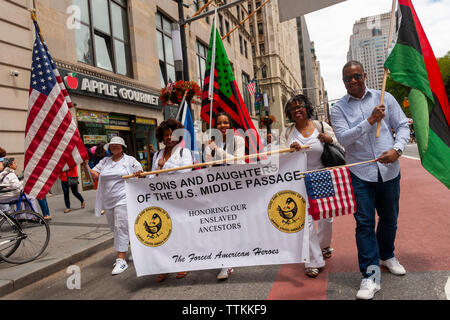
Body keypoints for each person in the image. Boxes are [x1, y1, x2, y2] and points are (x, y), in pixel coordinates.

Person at [330, 61, 410, 300]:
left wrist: (397, 149)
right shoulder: (339, 108)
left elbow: (403, 125)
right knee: (364, 224)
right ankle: (371, 275)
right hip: (360, 174)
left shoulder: (384, 97)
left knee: (389, 219)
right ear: (343, 82)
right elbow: (344, 139)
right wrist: (370, 121)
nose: (352, 81)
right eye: (347, 79)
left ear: (364, 75)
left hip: (389, 171)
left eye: (356, 76)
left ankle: (387, 254)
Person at [280, 94, 340, 278]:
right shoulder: (287, 133)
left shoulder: (322, 126)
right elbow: (278, 155)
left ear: (307, 107)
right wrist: (290, 151)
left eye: (300, 107)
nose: (296, 111)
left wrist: (329, 140)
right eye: (292, 109)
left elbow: (340, 145)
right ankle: (313, 260)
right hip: (298, 181)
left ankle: (323, 245)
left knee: (326, 219)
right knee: (305, 223)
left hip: (322, 176)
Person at [88, 136, 143, 275]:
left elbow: (140, 172)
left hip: (124, 198)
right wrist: (86, 166)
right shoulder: (105, 161)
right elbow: (95, 174)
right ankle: (138, 249)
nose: (114, 147)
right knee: (115, 227)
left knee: (120, 226)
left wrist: (138, 173)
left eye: (117, 145)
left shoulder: (129, 160)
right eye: (112, 145)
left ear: (122, 147)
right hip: (108, 200)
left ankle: (121, 259)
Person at [151, 119, 193, 282]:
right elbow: (153, 177)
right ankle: (165, 267)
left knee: (179, 233)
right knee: (163, 233)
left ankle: (182, 264)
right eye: (166, 135)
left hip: (179, 200)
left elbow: (185, 173)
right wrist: (156, 169)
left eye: (172, 134)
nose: (169, 137)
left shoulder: (184, 153)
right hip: (161, 200)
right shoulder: (156, 154)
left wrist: (163, 168)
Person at [205, 112, 245, 280]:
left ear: (230, 124)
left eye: (226, 122)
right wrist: (211, 152)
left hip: (234, 187)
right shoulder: (209, 144)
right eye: (220, 123)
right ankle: (225, 262)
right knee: (220, 224)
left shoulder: (238, 140)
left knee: (231, 223)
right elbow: (207, 165)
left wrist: (217, 151)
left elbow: (238, 161)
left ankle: (228, 261)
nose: (223, 126)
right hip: (216, 188)